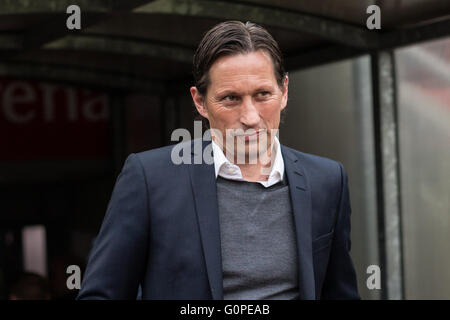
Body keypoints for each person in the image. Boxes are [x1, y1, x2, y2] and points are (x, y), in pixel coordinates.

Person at [77, 21, 359, 300]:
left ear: (284, 91)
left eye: (263, 95)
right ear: (200, 102)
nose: (250, 117)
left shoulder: (327, 180)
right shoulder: (150, 179)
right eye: (231, 98)